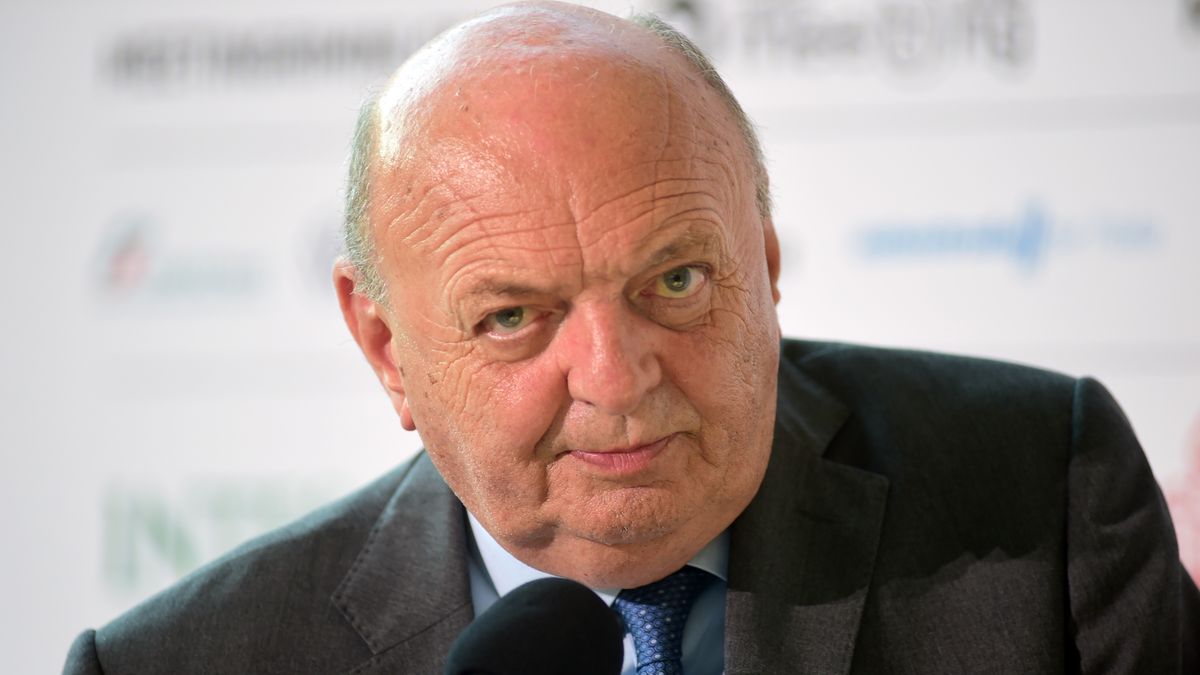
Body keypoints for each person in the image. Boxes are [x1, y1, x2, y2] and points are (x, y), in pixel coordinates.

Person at [64, 2, 1199, 673]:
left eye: (677, 279)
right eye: (513, 317)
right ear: (384, 346)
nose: (617, 378)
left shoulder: (1040, 488)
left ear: (764, 263)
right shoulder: (183, 663)